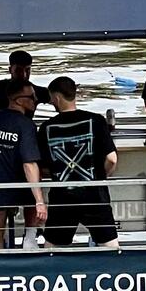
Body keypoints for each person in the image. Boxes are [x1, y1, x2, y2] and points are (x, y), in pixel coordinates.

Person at [38, 77, 120, 250]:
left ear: (57, 98)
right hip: (94, 195)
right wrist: (100, 177)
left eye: (51, 99)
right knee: (110, 247)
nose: (51, 102)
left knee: (52, 248)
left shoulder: (46, 128)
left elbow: (42, 167)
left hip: (62, 197)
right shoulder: (96, 120)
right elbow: (112, 159)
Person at [0, 84, 47, 249]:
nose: (36, 100)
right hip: (20, 186)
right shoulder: (26, 125)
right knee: (35, 184)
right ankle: (30, 237)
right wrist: (39, 201)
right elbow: (29, 163)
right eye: (32, 97)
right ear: (18, 100)